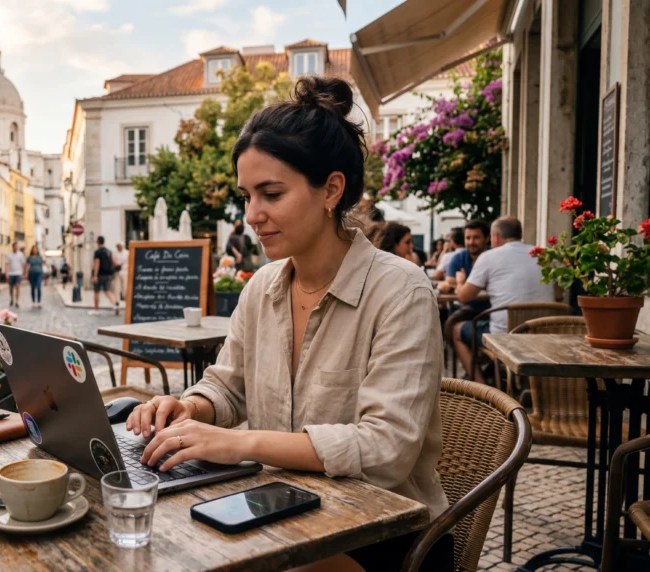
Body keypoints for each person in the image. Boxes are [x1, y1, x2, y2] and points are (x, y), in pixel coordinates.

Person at [124, 77, 450, 571]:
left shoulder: (400, 290)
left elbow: (386, 449)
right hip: (280, 509)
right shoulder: (263, 287)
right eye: (247, 196)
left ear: (331, 190)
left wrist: (240, 443)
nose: (252, 215)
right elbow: (228, 389)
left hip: (384, 535)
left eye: (270, 193)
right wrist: (188, 407)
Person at [453, 216, 555, 377]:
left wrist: (459, 281)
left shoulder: (488, 257)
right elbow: (559, 294)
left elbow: (463, 297)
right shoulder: (543, 254)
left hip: (503, 336)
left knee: (456, 330)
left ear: (495, 237)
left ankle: (482, 389)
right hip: (543, 332)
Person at [436, 220, 489, 295]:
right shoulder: (459, 257)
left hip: (493, 306)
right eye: (468, 238)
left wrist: (461, 283)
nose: (471, 242)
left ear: (486, 238)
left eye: (476, 238)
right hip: (464, 304)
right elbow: (450, 280)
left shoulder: (494, 257)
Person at [91, 236, 119, 316]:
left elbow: (97, 263)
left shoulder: (98, 252)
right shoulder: (109, 251)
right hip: (108, 274)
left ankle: (96, 309)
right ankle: (115, 304)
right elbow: (114, 262)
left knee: (96, 292)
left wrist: (95, 275)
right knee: (107, 291)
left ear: (98, 242)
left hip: (100, 274)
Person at [5, 241, 26, 309]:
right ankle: (12, 298)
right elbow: (7, 264)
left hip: (18, 273)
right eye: (14, 246)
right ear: (13, 247)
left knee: (18, 287)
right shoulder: (9, 255)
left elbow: (23, 264)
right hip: (11, 273)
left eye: (17, 246)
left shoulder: (21, 254)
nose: (15, 248)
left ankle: (17, 301)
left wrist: (23, 273)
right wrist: (6, 273)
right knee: (11, 288)